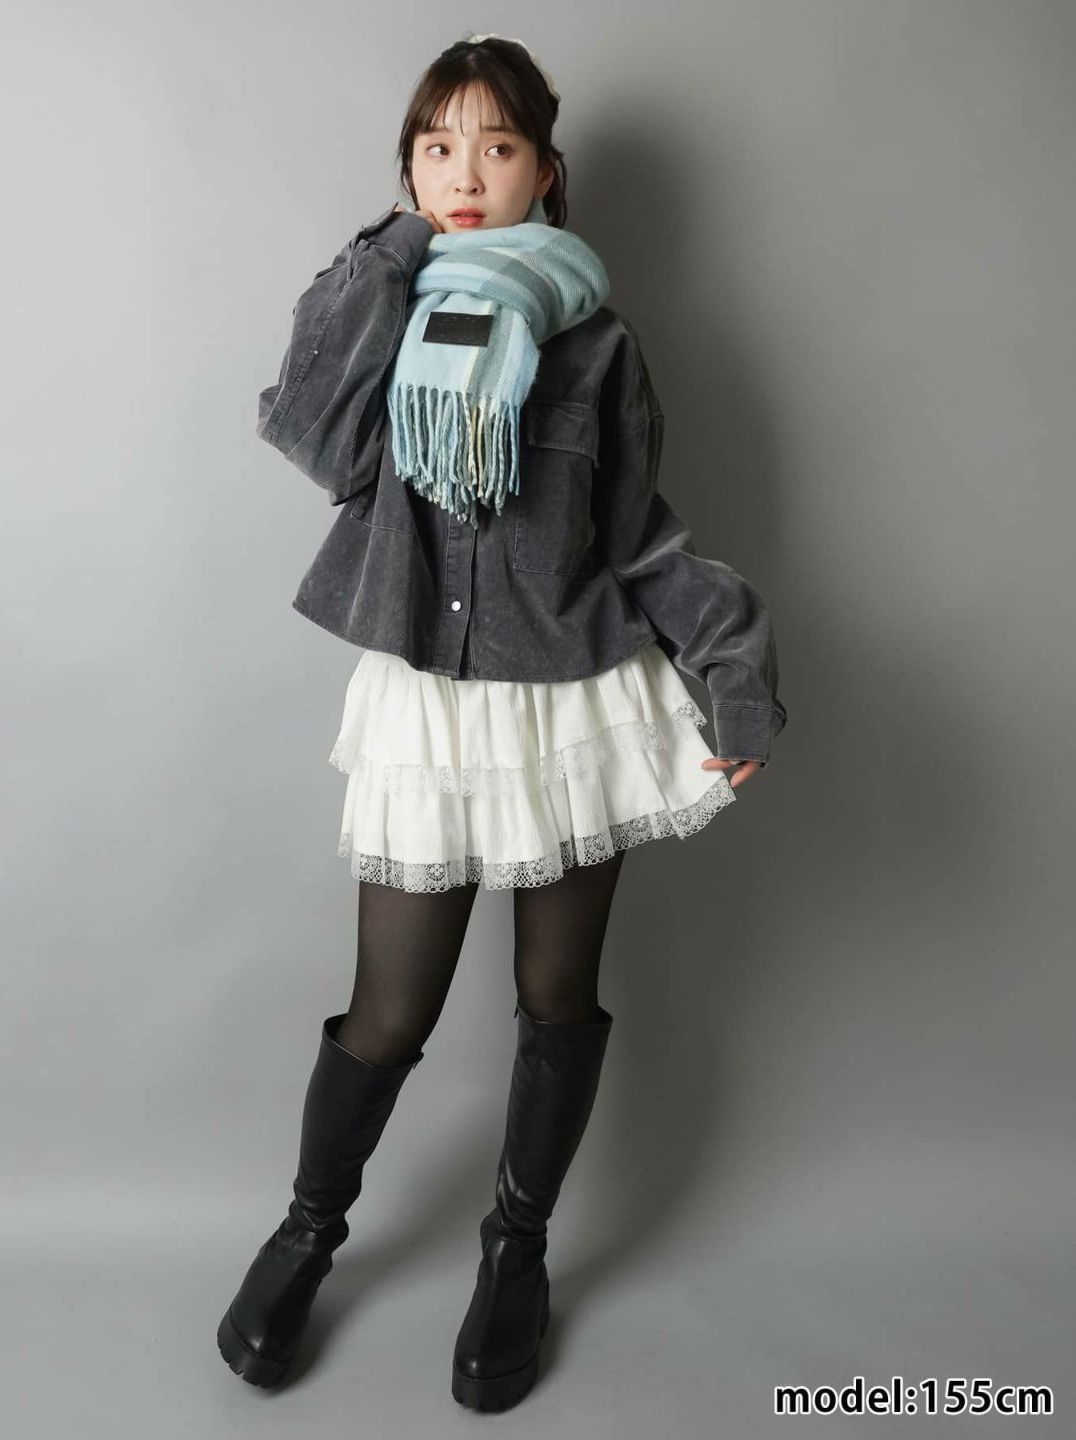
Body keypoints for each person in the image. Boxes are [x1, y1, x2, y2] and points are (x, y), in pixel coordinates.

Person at [218, 33, 787, 1412]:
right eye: (437, 147)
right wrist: (392, 252)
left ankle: (515, 1254)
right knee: (388, 1010)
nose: (465, 174)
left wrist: (733, 669)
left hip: (569, 704)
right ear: (410, 173)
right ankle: (307, 1235)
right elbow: (306, 429)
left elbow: (640, 538)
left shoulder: (598, 346)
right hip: (428, 702)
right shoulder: (386, 312)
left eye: (495, 146)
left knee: (555, 997)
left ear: (546, 170)